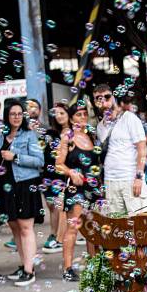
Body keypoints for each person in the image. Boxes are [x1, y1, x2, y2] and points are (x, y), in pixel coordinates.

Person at [0, 100, 45, 287]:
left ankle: (29, 271)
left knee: (25, 227)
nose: (16, 117)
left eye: (19, 113)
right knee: (15, 227)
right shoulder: (2, 136)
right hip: (6, 184)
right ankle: (25, 263)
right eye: (12, 114)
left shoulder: (29, 135)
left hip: (24, 184)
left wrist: (16, 157)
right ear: (7, 117)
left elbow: (39, 160)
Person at [94, 84, 147, 215]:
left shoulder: (129, 118)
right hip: (110, 181)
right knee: (117, 224)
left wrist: (139, 177)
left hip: (130, 178)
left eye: (107, 96)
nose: (103, 101)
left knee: (139, 223)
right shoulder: (100, 127)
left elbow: (142, 148)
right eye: (98, 98)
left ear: (113, 97)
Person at [56, 104, 101, 281]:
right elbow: (59, 163)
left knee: (91, 228)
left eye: (84, 114)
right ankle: (68, 268)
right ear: (71, 118)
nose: (82, 118)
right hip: (76, 188)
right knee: (73, 227)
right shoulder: (68, 137)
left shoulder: (91, 136)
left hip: (92, 188)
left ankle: (94, 265)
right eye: (78, 115)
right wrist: (71, 172)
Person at [40, 102, 70, 254]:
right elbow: (43, 154)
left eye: (62, 113)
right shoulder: (50, 134)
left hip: (64, 175)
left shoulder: (73, 133)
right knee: (52, 207)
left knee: (60, 206)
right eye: (56, 114)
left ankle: (59, 237)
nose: (59, 116)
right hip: (49, 174)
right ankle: (54, 234)